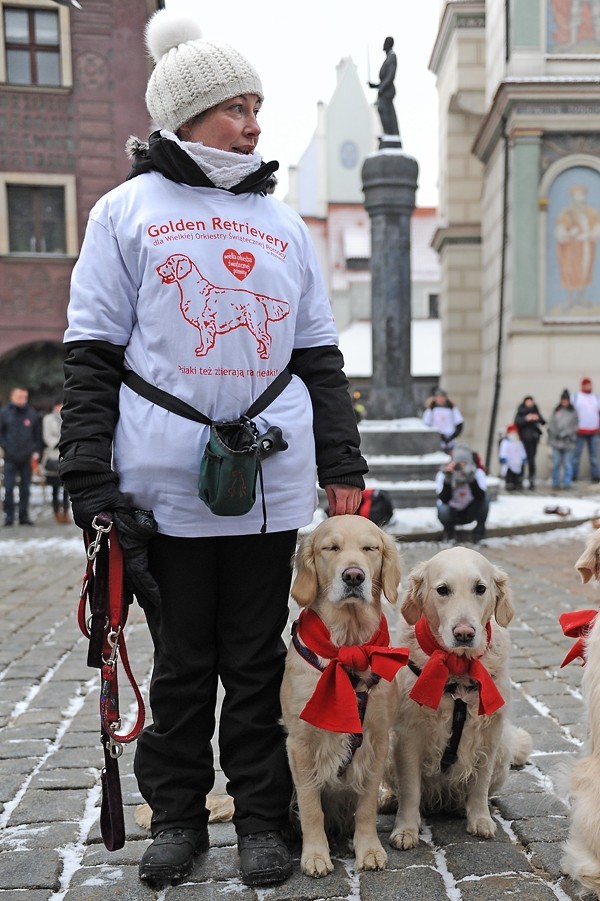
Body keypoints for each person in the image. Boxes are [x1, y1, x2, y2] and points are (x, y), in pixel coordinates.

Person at [57, 9, 367, 892]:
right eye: (236, 106)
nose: (254, 122)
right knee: (186, 663)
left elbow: (317, 355)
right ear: (185, 116)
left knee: (257, 659)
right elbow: (93, 354)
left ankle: (265, 819)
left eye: (257, 104)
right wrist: (89, 471)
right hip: (162, 485)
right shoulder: (126, 212)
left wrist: (341, 465)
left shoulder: (281, 222)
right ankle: (181, 816)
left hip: (269, 479)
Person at [0, 386, 42, 526]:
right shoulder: (4, 413)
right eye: (20, 397)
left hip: (27, 457)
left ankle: (23, 516)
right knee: (9, 488)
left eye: (25, 397)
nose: (23, 399)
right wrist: (6, 447)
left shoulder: (31, 413)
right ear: (12, 397)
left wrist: (36, 451)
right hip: (10, 457)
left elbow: (37, 435)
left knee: (25, 488)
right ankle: (9, 517)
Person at [435, 444, 489, 544]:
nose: (461, 468)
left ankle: (479, 535)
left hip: (470, 511)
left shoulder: (477, 473)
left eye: (464, 464)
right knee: (443, 508)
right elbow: (443, 499)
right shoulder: (443, 475)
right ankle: (449, 534)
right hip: (452, 512)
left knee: (486, 500)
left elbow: (481, 497)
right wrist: (448, 480)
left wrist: (471, 480)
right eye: (458, 464)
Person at [41, 400, 70, 523]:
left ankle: (66, 511)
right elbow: (47, 436)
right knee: (55, 487)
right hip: (53, 455)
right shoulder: (48, 419)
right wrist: (58, 443)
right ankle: (56, 511)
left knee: (66, 487)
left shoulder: (68, 417)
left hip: (66, 455)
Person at [368, 36, 400, 137]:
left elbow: (390, 76)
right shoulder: (388, 58)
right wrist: (375, 86)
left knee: (383, 109)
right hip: (384, 90)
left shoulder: (392, 57)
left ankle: (389, 133)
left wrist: (381, 88)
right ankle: (388, 133)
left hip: (387, 91)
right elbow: (385, 79)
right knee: (384, 110)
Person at [547, 389, 579, 490]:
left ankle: (567, 483)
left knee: (568, 464)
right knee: (556, 463)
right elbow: (551, 424)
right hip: (556, 442)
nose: (564, 402)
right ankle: (555, 483)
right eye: (563, 400)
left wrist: (567, 433)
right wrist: (556, 434)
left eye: (566, 400)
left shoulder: (573, 412)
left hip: (568, 442)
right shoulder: (556, 411)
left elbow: (575, 426)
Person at [571, 377, 600, 482]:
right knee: (576, 456)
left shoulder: (596, 398)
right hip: (580, 431)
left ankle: (596, 476)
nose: (588, 387)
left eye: (589, 385)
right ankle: (573, 475)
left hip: (594, 431)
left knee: (594, 457)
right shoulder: (576, 397)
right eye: (586, 385)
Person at [514, 395, 546, 490]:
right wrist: (526, 418)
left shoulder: (535, 411)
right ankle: (520, 480)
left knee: (531, 460)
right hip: (523, 440)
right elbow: (517, 422)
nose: (530, 404)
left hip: (533, 440)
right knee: (522, 460)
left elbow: (543, 421)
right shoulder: (521, 412)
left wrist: (537, 418)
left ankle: (531, 480)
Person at [422, 387, 464, 453]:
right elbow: (426, 424)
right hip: (436, 439)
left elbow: (459, 423)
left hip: (450, 440)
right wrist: (439, 436)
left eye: (442, 397)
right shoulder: (431, 409)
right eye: (438, 397)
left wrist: (452, 436)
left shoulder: (452, 408)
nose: (440, 399)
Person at [499, 424, 527, 491]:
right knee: (509, 475)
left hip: (517, 462)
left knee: (517, 475)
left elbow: (522, 450)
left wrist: (524, 457)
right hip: (509, 462)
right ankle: (509, 485)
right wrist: (503, 457)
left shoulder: (519, 442)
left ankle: (517, 485)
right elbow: (503, 451)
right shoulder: (505, 442)